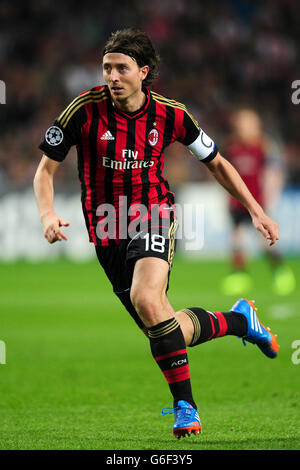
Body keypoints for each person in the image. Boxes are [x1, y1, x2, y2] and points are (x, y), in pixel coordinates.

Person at [34, 28, 279, 439]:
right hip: (106, 227)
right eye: (107, 67)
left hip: (153, 213)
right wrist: (47, 214)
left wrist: (255, 210)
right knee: (163, 327)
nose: (112, 75)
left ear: (143, 72)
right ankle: (240, 320)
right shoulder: (83, 109)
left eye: (122, 68)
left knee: (146, 297)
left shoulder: (172, 114)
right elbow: (46, 169)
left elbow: (216, 162)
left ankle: (186, 407)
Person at [221, 108, 296, 296]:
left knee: (265, 242)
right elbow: (223, 173)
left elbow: (274, 172)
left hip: (258, 203)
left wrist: (270, 195)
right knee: (237, 241)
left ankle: (280, 271)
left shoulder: (264, 146)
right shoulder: (232, 147)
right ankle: (240, 275)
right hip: (237, 203)